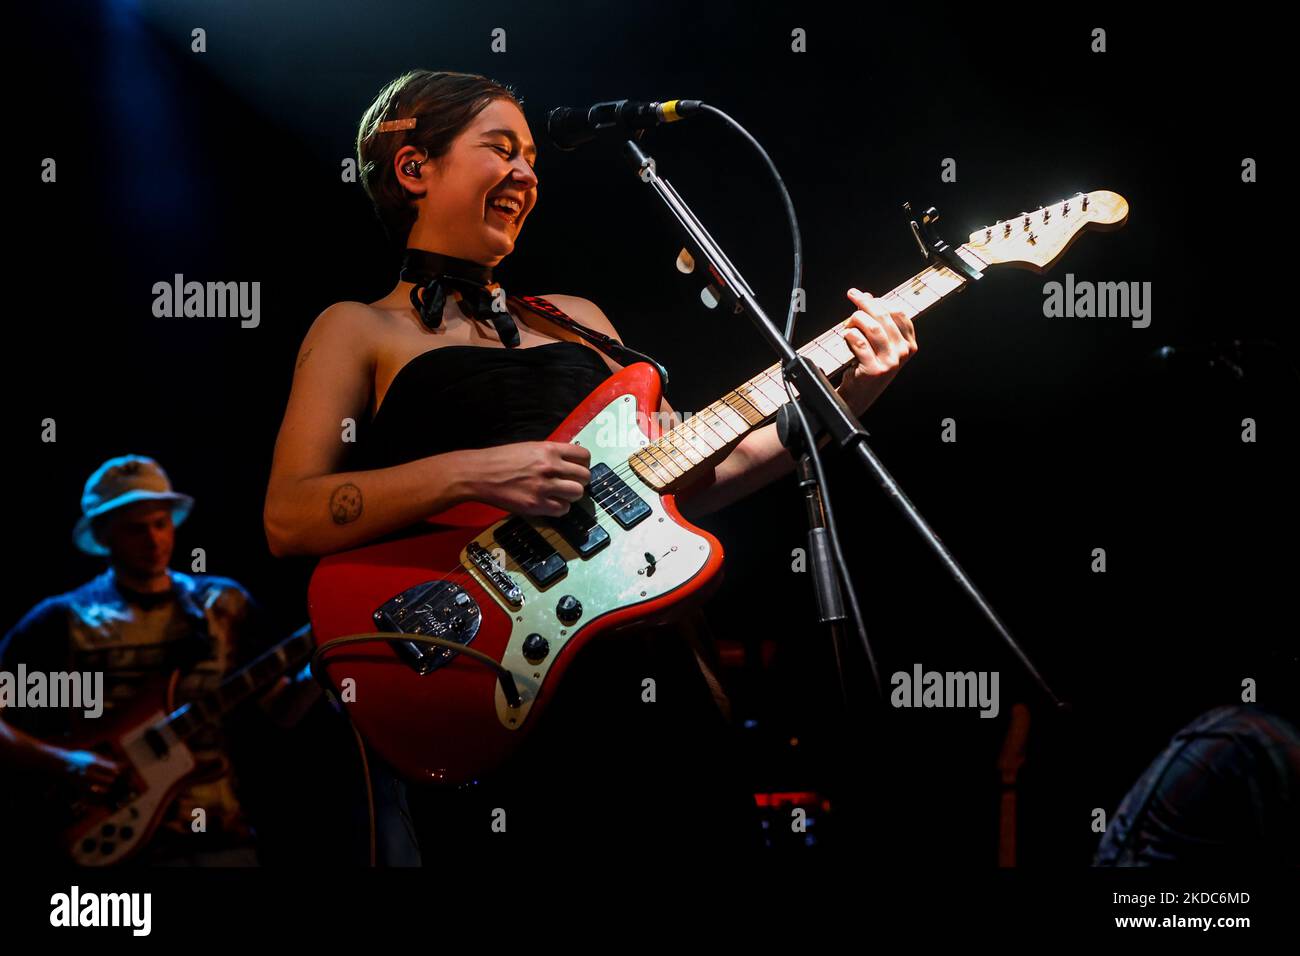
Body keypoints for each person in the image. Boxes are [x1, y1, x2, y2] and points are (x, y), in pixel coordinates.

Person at [263, 69, 918, 862]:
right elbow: (291, 515)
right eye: (499, 149)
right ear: (414, 169)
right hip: (492, 675)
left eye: (533, 156)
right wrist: (476, 472)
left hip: (649, 662)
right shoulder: (359, 328)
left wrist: (857, 390)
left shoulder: (580, 322)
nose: (527, 173)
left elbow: (692, 478)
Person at [0, 455, 276, 864]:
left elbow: (280, 710)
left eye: (161, 523)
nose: (153, 540)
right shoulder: (59, 621)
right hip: (111, 839)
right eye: (135, 529)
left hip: (221, 835)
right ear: (103, 534)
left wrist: (322, 674)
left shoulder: (222, 606)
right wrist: (67, 762)